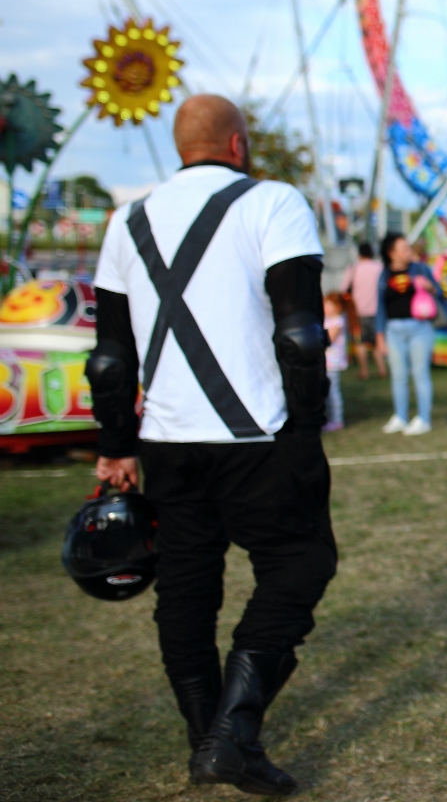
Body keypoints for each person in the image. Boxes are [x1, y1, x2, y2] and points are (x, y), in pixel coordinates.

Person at [89, 94, 332, 794]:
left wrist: (117, 443)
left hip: (166, 440)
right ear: (237, 144)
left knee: (187, 590)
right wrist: (306, 428)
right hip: (258, 434)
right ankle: (231, 736)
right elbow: (300, 335)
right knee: (300, 562)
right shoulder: (273, 202)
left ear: (180, 146)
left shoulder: (127, 220)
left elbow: (109, 358)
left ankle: (210, 739)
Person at [378, 232, 447, 435]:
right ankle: (400, 417)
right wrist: (379, 335)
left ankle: (423, 419)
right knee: (398, 375)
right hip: (393, 330)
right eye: (403, 248)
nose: (408, 251)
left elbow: (441, 292)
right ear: (391, 253)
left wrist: (430, 287)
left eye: (408, 248)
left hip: (420, 328)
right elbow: (380, 307)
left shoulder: (420, 269)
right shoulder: (384, 275)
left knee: (420, 374)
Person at [345, 241, 385, 380]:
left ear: (359, 254)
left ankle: (364, 371)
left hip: (358, 312)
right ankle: (382, 369)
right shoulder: (379, 267)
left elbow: (344, 288)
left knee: (360, 342)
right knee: (376, 341)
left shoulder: (354, 268)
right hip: (378, 311)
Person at [322, 292, 347, 431]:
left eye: (327, 305)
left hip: (332, 363)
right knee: (326, 392)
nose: (324, 308)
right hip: (325, 362)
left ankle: (337, 420)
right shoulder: (327, 320)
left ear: (337, 307)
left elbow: (328, 339)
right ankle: (329, 418)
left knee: (333, 392)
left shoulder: (338, 321)